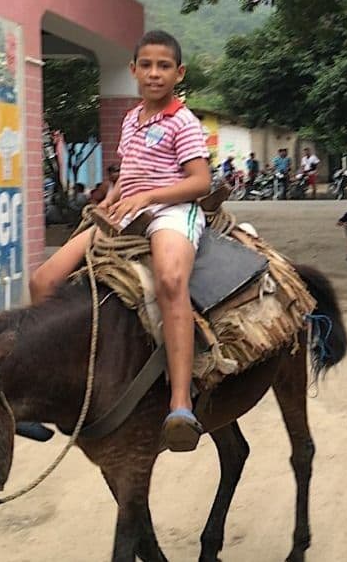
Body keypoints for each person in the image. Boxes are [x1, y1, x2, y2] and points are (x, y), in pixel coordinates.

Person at [29, 30, 210, 453]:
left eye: (164, 66)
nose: (154, 73)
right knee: (43, 281)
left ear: (178, 73)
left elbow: (201, 182)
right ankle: (46, 388)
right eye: (146, 65)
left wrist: (148, 196)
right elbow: (127, 174)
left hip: (171, 211)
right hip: (126, 210)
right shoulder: (131, 119)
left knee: (169, 281)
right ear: (133, 71)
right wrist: (110, 201)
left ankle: (180, 403)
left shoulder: (183, 121)